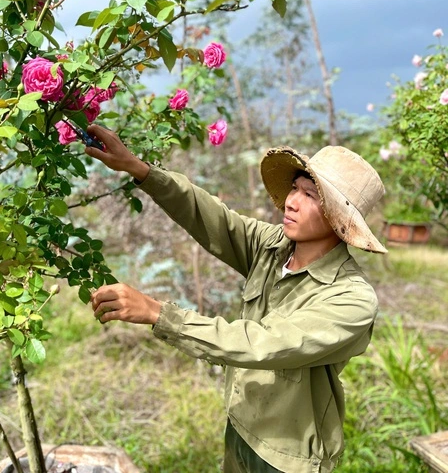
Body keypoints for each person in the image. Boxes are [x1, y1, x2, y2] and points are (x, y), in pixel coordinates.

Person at [83, 124, 387, 473]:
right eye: (294, 188)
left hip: (288, 458)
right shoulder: (272, 247)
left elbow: (264, 343)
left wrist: (158, 313)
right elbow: (210, 217)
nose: (291, 201)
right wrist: (139, 169)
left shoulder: (351, 298)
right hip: (241, 425)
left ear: (339, 217)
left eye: (311, 195)